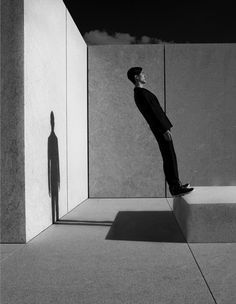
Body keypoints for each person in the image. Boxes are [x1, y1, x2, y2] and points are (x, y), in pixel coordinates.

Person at [127, 67, 194, 196]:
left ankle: (176, 185)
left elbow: (156, 112)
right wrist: (163, 130)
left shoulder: (142, 92)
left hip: (162, 128)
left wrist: (165, 128)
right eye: (142, 74)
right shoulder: (140, 93)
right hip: (161, 129)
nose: (144, 75)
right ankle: (175, 187)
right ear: (136, 77)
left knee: (170, 156)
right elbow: (152, 114)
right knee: (169, 157)